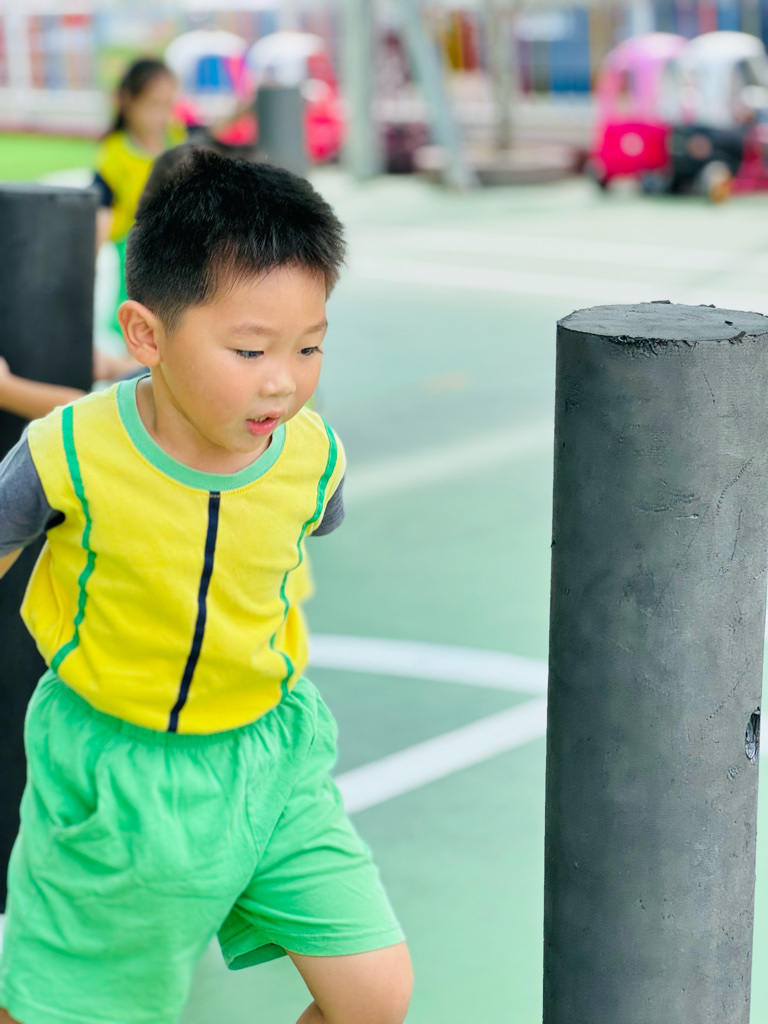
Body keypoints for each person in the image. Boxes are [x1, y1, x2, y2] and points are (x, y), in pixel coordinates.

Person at [0, 150, 412, 1024]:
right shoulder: (67, 451)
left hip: (271, 758)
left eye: (310, 347)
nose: (284, 379)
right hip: (116, 769)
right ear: (146, 335)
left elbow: (301, 533)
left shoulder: (313, 458)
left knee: (372, 996)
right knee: (59, 1008)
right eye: (250, 349)